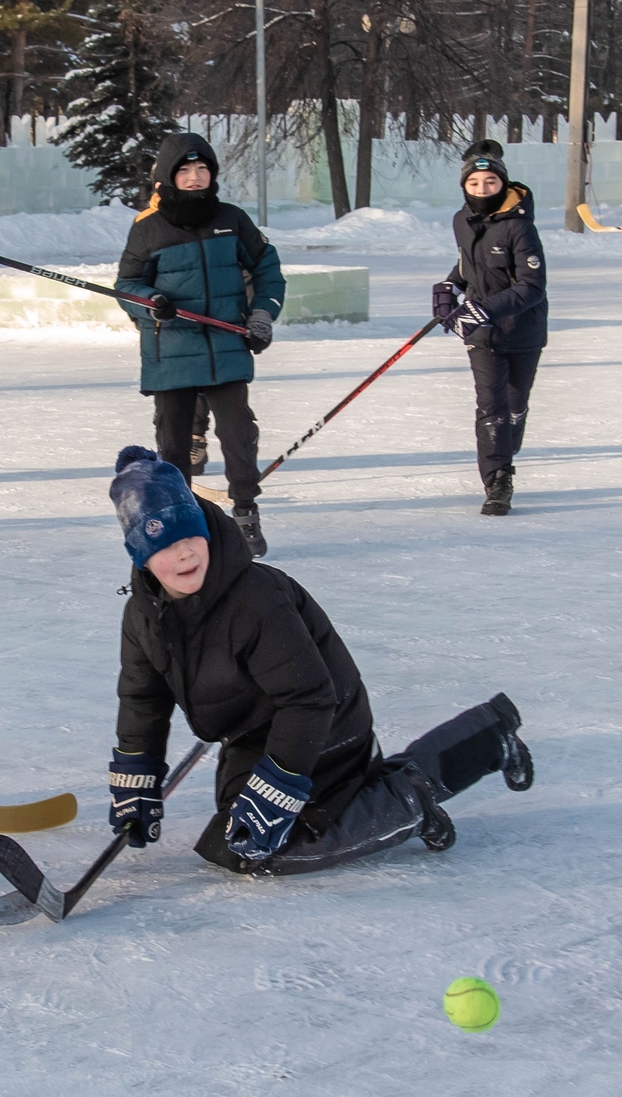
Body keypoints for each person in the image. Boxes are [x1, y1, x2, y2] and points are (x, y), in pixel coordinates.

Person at [104, 446, 533, 877]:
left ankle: (410, 801)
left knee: (261, 849)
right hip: (254, 734)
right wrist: (137, 777)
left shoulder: (254, 599)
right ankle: (477, 739)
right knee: (236, 834)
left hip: (327, 727)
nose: (184, 553)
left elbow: (308, 699)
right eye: (164, 541)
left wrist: (278, 786)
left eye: (190, 534)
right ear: (139, 552)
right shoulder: (143, 617)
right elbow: (143, 700)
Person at [116, 133, 285, 558]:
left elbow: (268, 269)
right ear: (168, 177)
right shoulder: (148, 228)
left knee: (238, 434)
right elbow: (127, 285)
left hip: (226, 345)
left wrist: (262, 314)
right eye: (186, 171)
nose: (195, 178)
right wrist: (150, 304)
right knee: (173, 445)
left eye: (203, 169)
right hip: (170, 351)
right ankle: (182, 517)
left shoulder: (232, 219)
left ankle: (245, 512)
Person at [432, 140, 547, 517]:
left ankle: (504, 450)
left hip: (523, 330)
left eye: (490, 183)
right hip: (481, 335)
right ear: (465, 186)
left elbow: (531, 286)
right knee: (490, 406)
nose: (482, 190)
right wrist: (450, 288)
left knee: (514, 406)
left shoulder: (520, 228)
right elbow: (468, 265)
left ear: (503, 184)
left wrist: (482, 309)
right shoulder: (461, 221)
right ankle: (498, 479)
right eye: (475, 183)